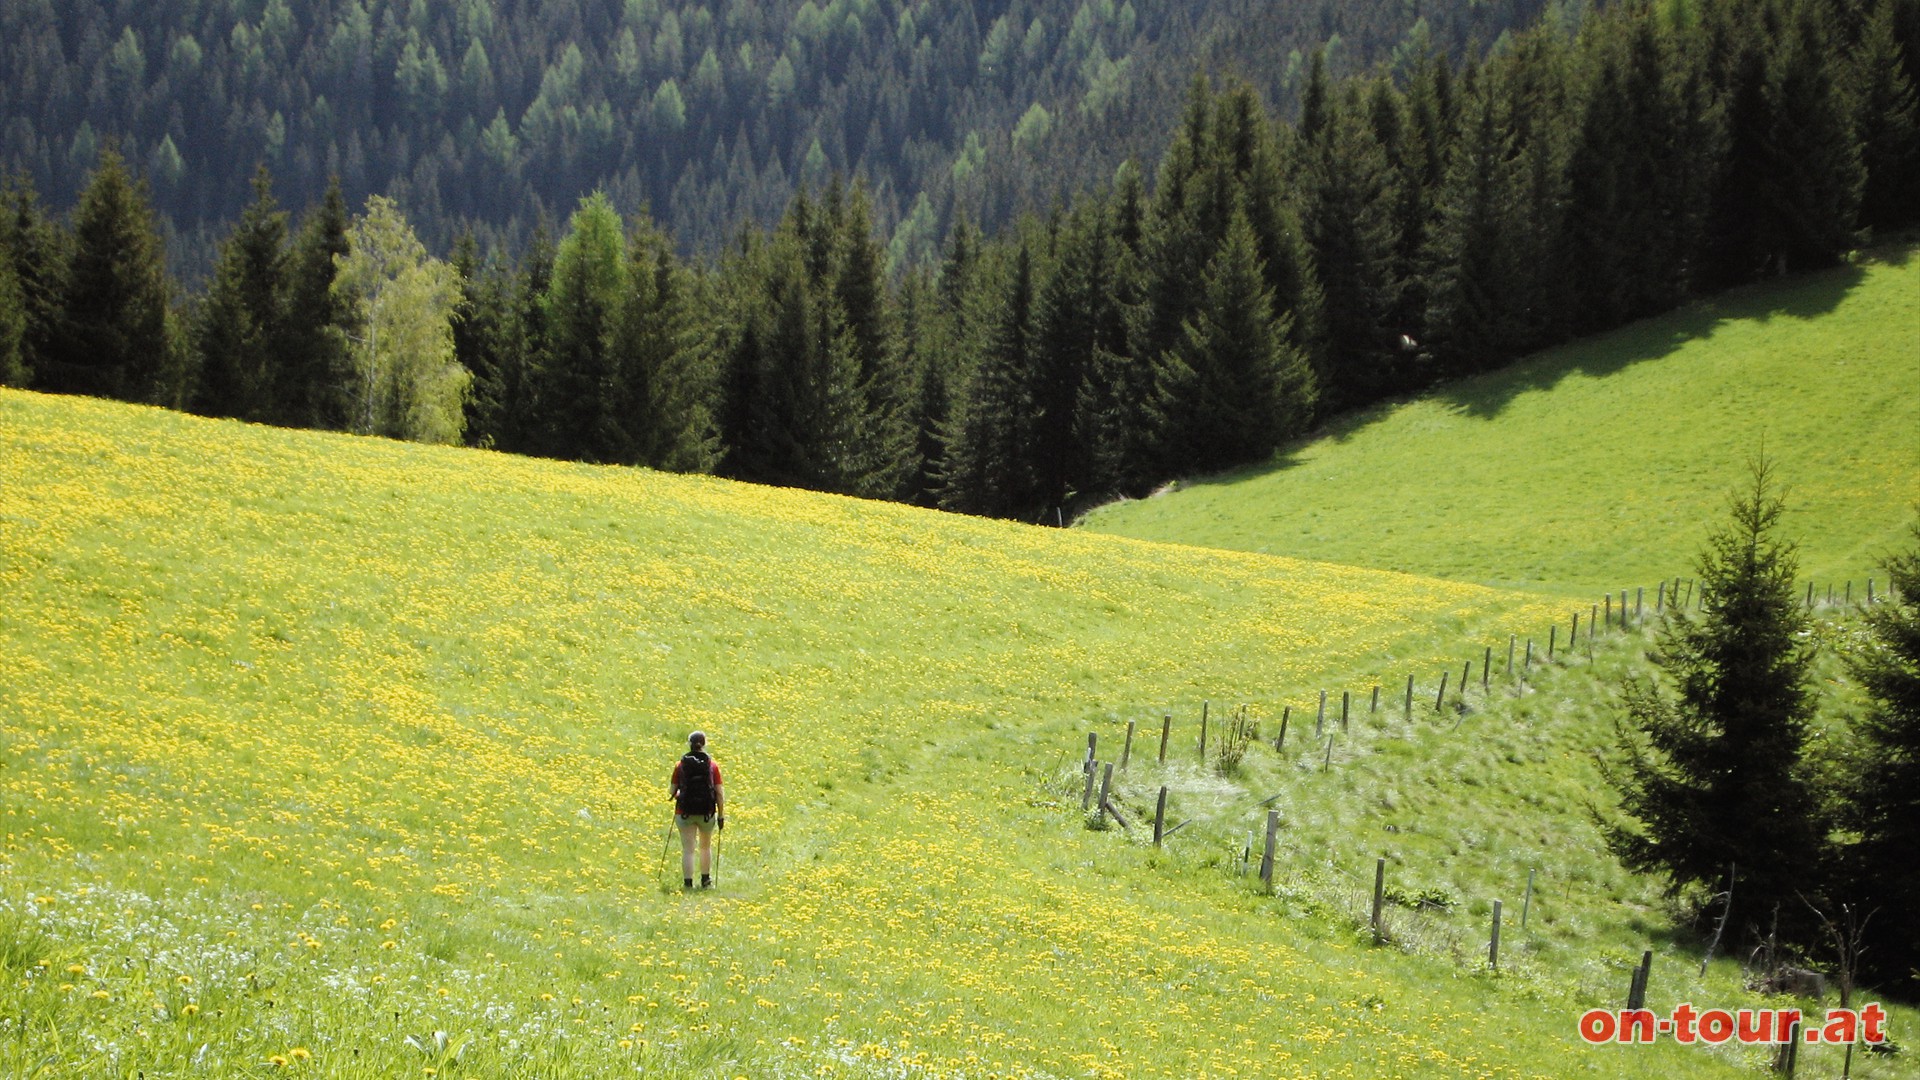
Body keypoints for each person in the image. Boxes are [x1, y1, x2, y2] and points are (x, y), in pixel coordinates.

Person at [669, 731, 724, 889]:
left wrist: (679, 792)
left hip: (684, 812)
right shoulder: (712, 765)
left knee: (688, 849)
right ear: (704, 744)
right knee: (705, 847)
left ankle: (688, 883)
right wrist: (721, 815)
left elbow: (672, 791)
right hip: (706, 812)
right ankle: (706, 881)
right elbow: (719, 793)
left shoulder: (680, 765)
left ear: (689, 744)